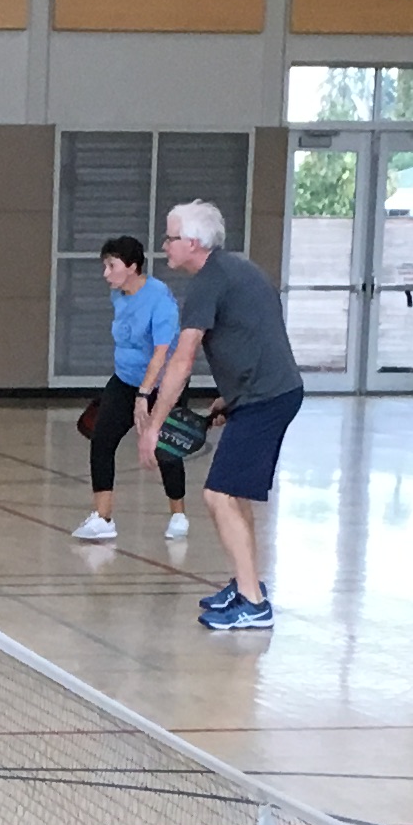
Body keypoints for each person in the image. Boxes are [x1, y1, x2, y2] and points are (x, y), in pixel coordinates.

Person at [137, 200, 300, 631]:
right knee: (233, 493)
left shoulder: (209, 282)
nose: (164, 246)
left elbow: (182, 359)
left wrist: (153, 426)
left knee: (217, 495)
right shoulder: (237, 269)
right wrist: (232, 396)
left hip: (267, 399)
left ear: (192, 243)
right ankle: (249, 586)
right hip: (262, 394)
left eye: (170, 237)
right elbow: (259, 331)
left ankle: (252, 603)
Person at [75, 235, 191, 544]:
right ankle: (102, 518)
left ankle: (178, 514)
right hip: (124, 379)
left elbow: (161, 353)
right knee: (101, 439)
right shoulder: (119, 295)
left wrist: (144, 395)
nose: (105, 273)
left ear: (132, 266)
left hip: (161, 383)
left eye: (111, 266)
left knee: (166, 449)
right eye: (105, 265)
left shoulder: (160, 301)